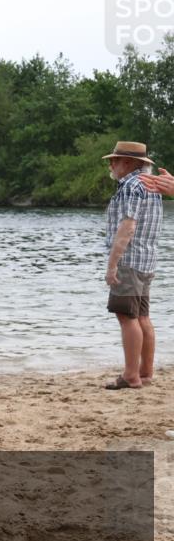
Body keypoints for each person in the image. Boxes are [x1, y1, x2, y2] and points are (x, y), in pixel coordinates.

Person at [102, 141, 163, 389]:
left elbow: (128, 227)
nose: (111, 165)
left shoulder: (130, 185)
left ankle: (130, 376)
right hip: (147, 260)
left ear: (126, 163)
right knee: (143, 317)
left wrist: (112, 265)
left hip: (129, 260)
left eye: (113, 161)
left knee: (127, 316)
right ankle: (145, 372)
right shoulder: (151, 184)